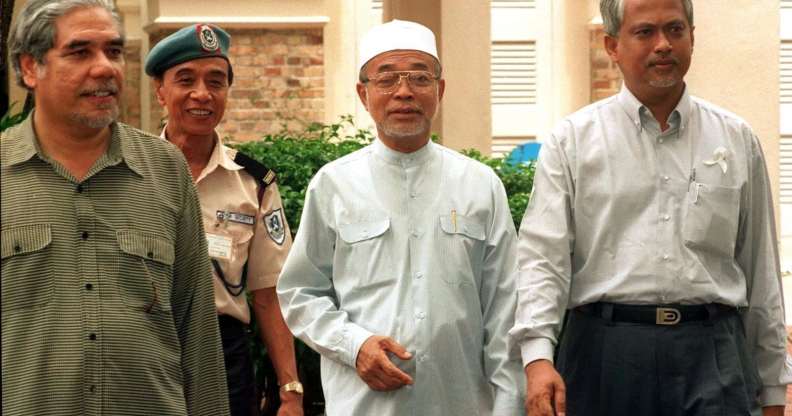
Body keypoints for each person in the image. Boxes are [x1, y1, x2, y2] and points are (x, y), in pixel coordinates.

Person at [511, 0, 791, 415]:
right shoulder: (572, 142)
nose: (663, 44)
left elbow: (760, 271)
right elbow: (542, 260)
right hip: (603, 355)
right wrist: (536, 358)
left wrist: (773, 387)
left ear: (692, 38)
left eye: (675, 30)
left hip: (713, 355)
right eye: (644, 32)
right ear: (612, 45)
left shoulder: (735, 140)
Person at [276, 19, 525, 416]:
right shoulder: (333, 185)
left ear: (439, 90)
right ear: (364, 93)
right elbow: (300, 293)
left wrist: (509, 404)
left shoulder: (480, 184)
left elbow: (505, 306)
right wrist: (354, 345)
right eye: (387, 79)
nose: (404, 92)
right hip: (364, 405)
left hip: (462, 403)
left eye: (419, 78)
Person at [1, 1, 229, 415]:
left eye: (114, 51)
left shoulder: (165, 169)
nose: (106, 68)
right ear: (31, 68)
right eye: (79, 51)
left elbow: (197, 329)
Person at [144, 24, 303, 416]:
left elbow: (269, 294)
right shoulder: (129, 173)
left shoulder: (253, 183)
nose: (202, 94)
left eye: (216, 81)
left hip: (223, 353)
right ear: (160, 91)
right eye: (186, 80)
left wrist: (291, 391)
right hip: (143, 345)